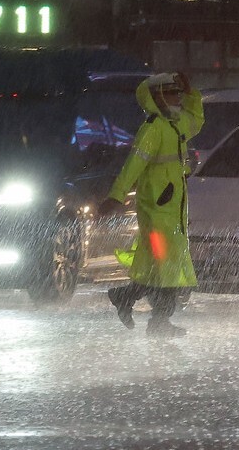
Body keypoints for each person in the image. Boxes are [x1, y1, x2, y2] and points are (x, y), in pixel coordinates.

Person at [98, 72, 204, 336]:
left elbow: (198, 121)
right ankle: (157, 321)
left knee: (158, 266)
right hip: (156, 208)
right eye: (172, 93)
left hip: (171, 208)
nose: (177, 98)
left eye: (178, 94)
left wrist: (192, 94)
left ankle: (128, 298)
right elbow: (133, 165)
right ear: (158, 97)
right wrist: (116, 195)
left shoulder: (175, 124)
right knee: (166, 264)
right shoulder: (153, 128)